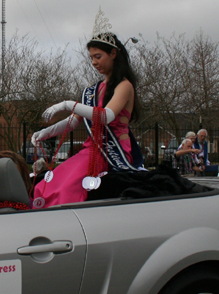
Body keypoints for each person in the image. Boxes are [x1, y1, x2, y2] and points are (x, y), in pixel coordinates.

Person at [30, 13, 143, 208]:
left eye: (98, 56)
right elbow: (73, 122)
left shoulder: (124, 86)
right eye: (91, 58)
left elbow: (106, 116)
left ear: (113, 54)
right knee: (50, 183)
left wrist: (67, 104)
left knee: (66, 188)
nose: (94, 62)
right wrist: (44, 133)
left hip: (112, 152)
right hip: (91, 150)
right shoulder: (93, 90)